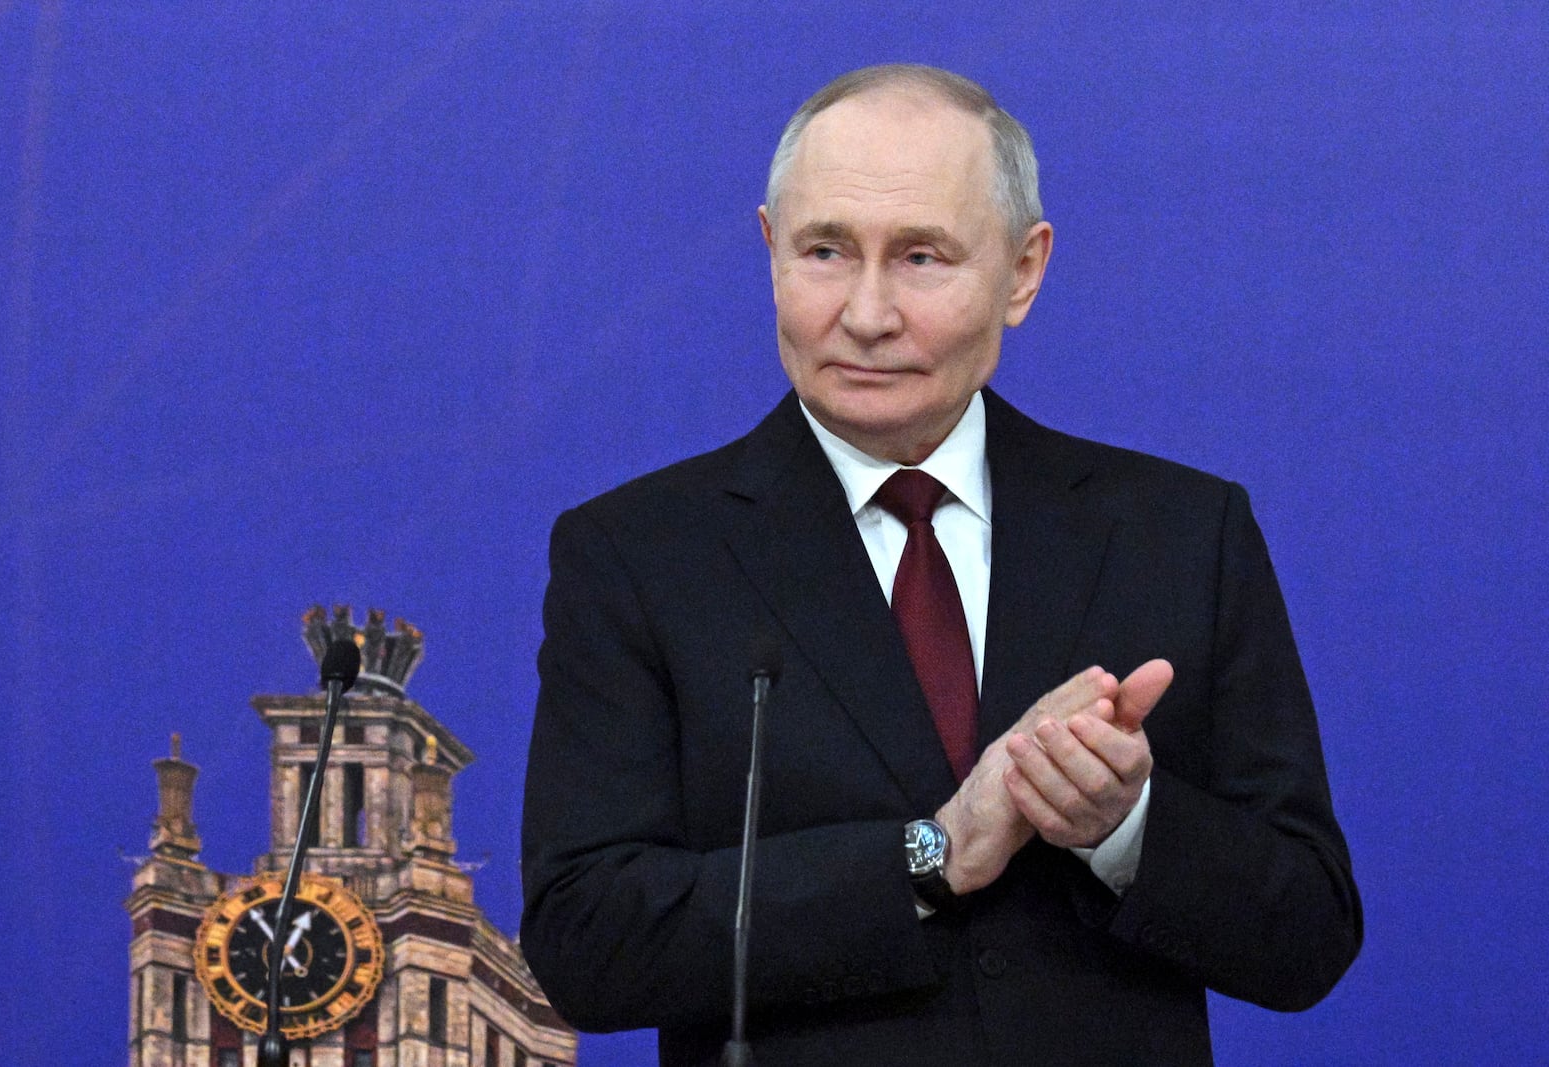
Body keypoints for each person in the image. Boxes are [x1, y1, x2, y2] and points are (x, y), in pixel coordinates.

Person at [520, 64, 1360, 1066]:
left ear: (1022, 271)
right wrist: (927, 856)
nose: (866, 313)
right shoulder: (640, 553)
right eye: (824, 250)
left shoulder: (1178, 531)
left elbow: (1307, 932)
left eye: (920, 257)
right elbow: (588, 941)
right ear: (767, 250)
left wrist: (1126, 820)